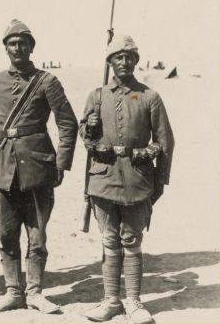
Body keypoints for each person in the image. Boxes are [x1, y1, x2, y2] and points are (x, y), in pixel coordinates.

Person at [0, 19, 78, 314]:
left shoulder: (47, 82)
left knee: (37, 235)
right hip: (3, 168)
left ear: (31, 47)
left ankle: (36, 292)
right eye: (12, 43)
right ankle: (13, 292)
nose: (17, 48)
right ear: (5, 48)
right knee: (6, 233)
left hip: (38, 169)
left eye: (23, 43)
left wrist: (62, 162)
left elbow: (67, 123)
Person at [80, 34, 174, 324]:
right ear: (110, 61)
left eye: (129, 57)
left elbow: (165, 141)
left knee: (131, 240)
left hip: (137, 180)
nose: (124, 61)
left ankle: (133, 302)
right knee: (109, 240)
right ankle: (111, 301)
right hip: (103, 180)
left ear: (136, 61)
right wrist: (90, 127)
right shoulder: (96, 96)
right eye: (118, 57)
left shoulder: (149, 96)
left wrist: (159, 182)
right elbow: (85, 137)